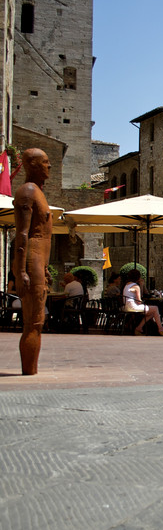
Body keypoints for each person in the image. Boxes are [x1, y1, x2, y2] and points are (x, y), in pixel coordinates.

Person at [12, 148, 53, 375]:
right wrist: (21, 271)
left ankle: (31, 369)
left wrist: (45, 268)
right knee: (33, 322)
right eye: (46, 162)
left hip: (38, 263)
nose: (50, 166)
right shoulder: (27, 191)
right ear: (34, 165)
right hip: (31, 261)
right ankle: (29, 370)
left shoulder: (38, 192)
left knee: (37, 321)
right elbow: (23, 234)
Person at [121, 269, 163, 336]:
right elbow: (139, 300)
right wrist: (141, 285)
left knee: (153, 312)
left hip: (127, 307)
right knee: (155, 308)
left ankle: (139, 328)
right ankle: (160, 329)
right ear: (138, 277)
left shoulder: (127, 285)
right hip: (133, 307)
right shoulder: (136, 286)